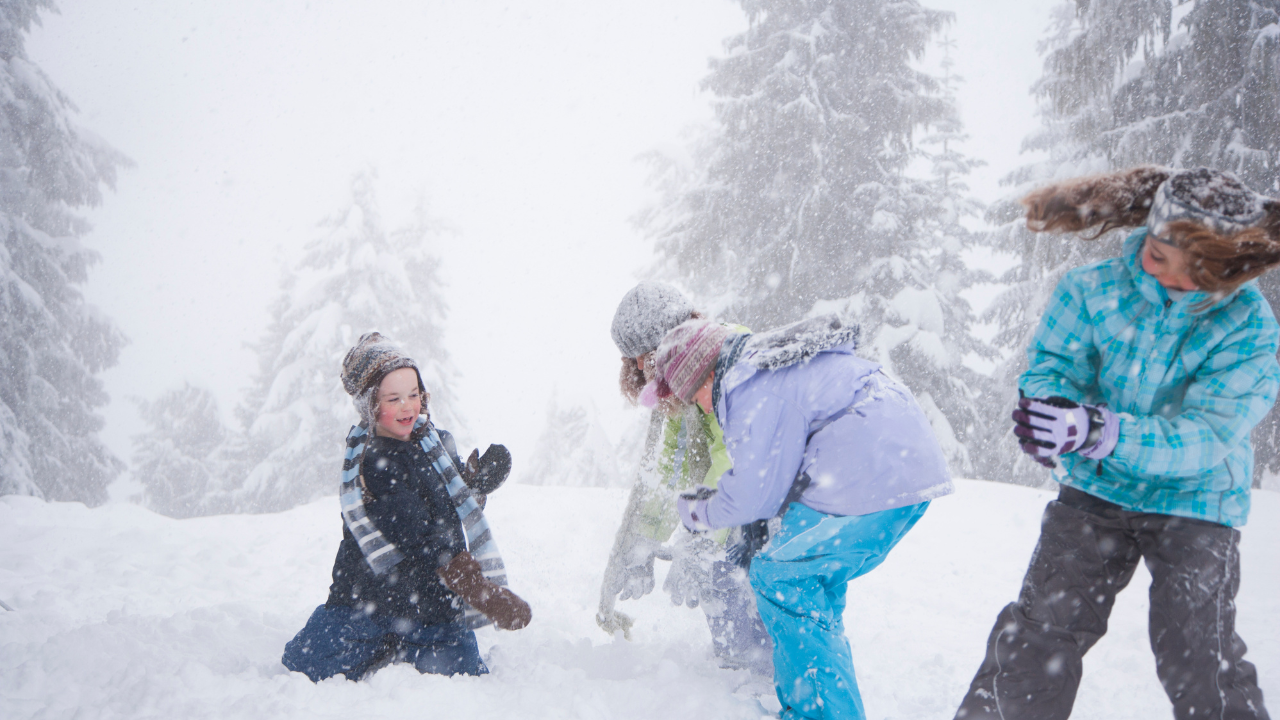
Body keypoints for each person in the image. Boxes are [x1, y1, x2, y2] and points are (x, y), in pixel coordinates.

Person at [953, 166, 1280, 720]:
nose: (1171, 279)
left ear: (1229, 267)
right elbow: (1052, 368)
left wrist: (1103, 430)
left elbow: (1206, 436)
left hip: (1195, 502)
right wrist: (1051, 412)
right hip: (1095, 492)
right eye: (1158, 255)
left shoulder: (1249, 327)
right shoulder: (1092, 290)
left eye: (1197, 271)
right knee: (1038, 637)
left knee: (1198, 654)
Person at [654, 314, 954, 720]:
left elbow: (753, 496)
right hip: (903, 469)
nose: (699, 406)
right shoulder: (766, 368)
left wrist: (697, 512)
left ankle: (820, 713)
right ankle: (821, 705)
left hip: (871, 473)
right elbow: (773, 479)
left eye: (693, 396)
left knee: (781, 577)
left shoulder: (748, 385)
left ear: (703, 378)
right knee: (811, 586)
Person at [282, 332, 531, 682]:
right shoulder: (373, 463)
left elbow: (453, 490)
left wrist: (476, 481)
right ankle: (383, 639)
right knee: (305, 662)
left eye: (414, 394)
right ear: (371, 405)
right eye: (394, 398)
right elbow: (417, 531)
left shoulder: (434, 441)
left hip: (430, 601)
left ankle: (406, 641)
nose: (407, 406)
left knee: (461, 670)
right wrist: (477, 588)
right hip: (371, 596)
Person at [597, 281, 774, 676]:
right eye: (635, 361)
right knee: (721, 581)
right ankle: (742, 677)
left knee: (736, 580)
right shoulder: (684, 388)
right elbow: (672, 469)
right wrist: (646, 538)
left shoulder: (726, 362)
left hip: (767, 511)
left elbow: (734, 458)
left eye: (646, 357)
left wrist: (701, 539)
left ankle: (760, 680)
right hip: (740, 512)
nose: (642, 370)